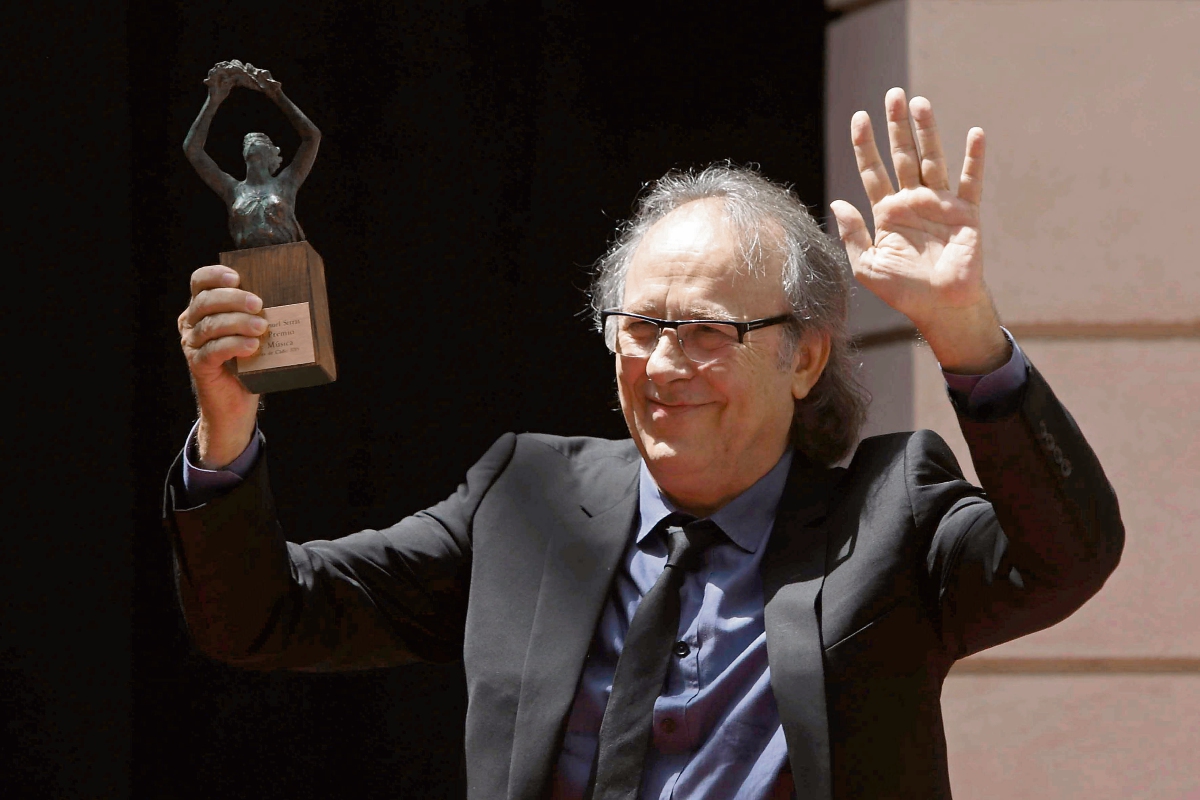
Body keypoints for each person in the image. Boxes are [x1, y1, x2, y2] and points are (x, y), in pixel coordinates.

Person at [167, 90, 1123, 799]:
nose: (665, 366)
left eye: (711, 331)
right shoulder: (526, 500)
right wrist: (227, 427)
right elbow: (263, 616)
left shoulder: (888, 510)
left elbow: (1064, 559)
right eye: (642, 326)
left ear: (805, 358)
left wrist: (967, 338)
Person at [182, 60, 320, 249]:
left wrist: (276, 94)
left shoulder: (286, 182)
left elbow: (311, 137)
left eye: (262, 140)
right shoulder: (232, 189)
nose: (252, 139)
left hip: (288, 259)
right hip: (248, 262)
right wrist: (213, 100)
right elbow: (193, 150)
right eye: (247, 140)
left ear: (273, 155)